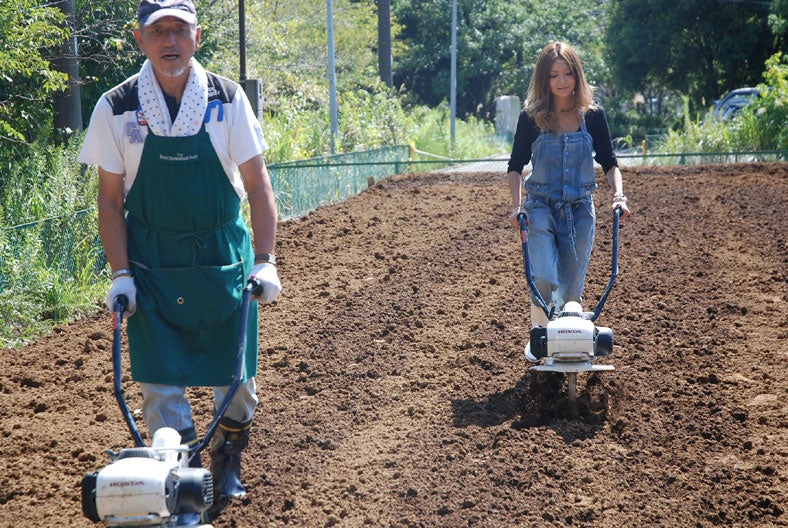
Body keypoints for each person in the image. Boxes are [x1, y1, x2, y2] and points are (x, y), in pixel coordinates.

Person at [78, 0, 282, 505]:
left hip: (221, 260)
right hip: (152, 265)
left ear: (197, 36)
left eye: (180, 30)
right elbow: (109, 199)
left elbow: (257, 185)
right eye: (159, 31)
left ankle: (228, 461)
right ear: (139, 38)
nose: (170, 41)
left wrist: (265, 260)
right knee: (158, 382)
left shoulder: (226, 99)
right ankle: (183, 478)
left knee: (238, 381)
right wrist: (121, 273)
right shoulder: (117, 106)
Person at [506, 41, 630, 362]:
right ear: (543, 80)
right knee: (544, 278)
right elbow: (516, 166)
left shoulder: (593, 116)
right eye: (554, 75)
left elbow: (609, 161)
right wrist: (517, 205)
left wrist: (618, 195)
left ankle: (569, 342)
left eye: (568, 74)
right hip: (541, 208)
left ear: (577, 75)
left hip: (579, 211)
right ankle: (540, 339)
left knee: (571, 290)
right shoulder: (532, 118)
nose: (562, 81)